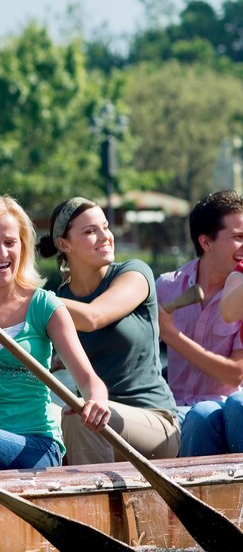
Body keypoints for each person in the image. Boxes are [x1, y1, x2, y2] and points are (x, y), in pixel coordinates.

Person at [0, 196, 110, 472]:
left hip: (35, 447)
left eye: (10, 243)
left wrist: (97, 400)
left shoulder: (45, 306)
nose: (2, 253)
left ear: (23, 247)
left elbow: (89, 380)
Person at [38, 197, 179, 464]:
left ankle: (86, 505)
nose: (105, 237)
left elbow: (94, 316)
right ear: (64, 244)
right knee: (33, 417)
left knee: (81, 419)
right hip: (92, 421)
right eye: (91, 231)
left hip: (155, 423)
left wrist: (25, 296)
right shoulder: (60, 299)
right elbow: (32, 365)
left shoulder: (134, 273)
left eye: (105, 227)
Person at [157, 190, 243, 456]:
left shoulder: (240, 293)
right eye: (238, 237)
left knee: (203, 414)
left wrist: (172, 336)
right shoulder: (165, 287)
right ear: (206, 242)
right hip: (168, 410)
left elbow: (236, 374)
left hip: (221, 410)